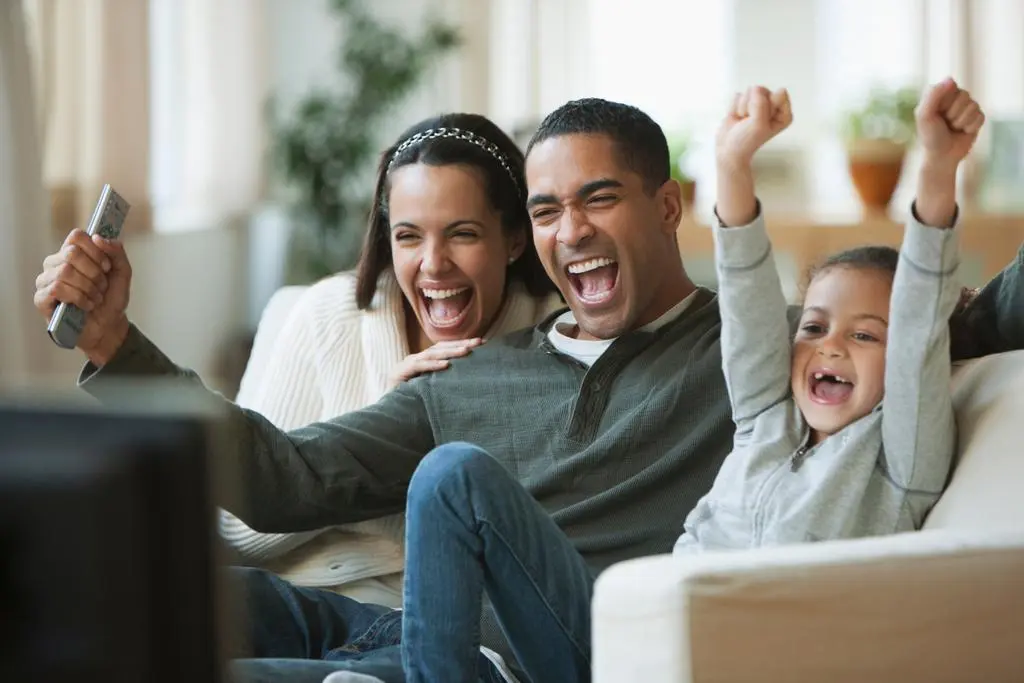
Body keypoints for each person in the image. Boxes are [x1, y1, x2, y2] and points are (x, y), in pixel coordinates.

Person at [30, 94, 1024, 683]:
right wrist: (116, 341)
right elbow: (286, 476)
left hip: (528, 655)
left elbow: (944, 322)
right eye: (548, 208)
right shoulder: (470, 373)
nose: (571, 229)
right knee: (161, 614)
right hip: (400, 626)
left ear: (667, 206)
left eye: (598, 197)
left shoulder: (764, 357)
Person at [216, 113, 563, 605]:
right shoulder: (329, 317)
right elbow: (239, 530)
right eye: (409, 236)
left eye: (462, 233)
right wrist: (379, 436)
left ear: (513, 239)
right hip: (294, 595)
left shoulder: (553, 338)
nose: (433, 262)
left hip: (431, 620)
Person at [674, 77, 983, 552]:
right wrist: (732, 163)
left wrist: (940, 165)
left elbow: (919, 320)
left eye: (865, 336)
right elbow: (747, 303)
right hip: (664, 605)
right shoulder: (764, 417)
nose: (831, 345)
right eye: (814, 327)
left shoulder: (899, 459)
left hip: (757, 621)